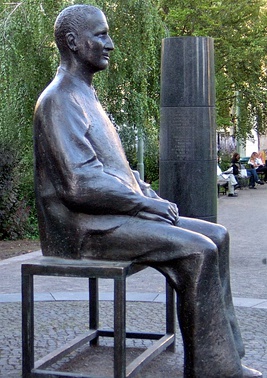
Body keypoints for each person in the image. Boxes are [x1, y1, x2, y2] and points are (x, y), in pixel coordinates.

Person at [33, 5, 261, 377]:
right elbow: (79, 183)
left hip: (108, 217)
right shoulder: (59, 99)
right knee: (198, 250)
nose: (110, 44)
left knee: (217, 234)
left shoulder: (86, 96)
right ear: (73, 43)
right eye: (101, 35)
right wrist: (141, 204)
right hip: (80, 230)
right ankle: (211, 369)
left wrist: (146, 192)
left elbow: (116, 169)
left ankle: (225, 357)